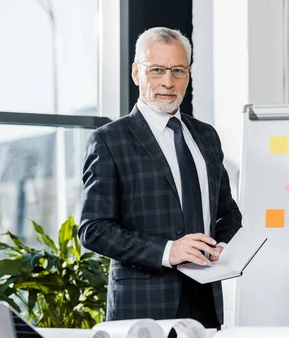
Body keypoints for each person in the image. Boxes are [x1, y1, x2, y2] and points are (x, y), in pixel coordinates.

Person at [78, 27, 242, 329]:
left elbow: (228, 213)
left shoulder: (206, 136)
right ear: (136, 73)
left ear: (188, 75)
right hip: (144, 309)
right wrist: (169, 251)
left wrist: (222, 244)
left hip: (206, 301)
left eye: (178, 70)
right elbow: (93, 229)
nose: (168, 82)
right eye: (157, 70)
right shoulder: (109, 140)